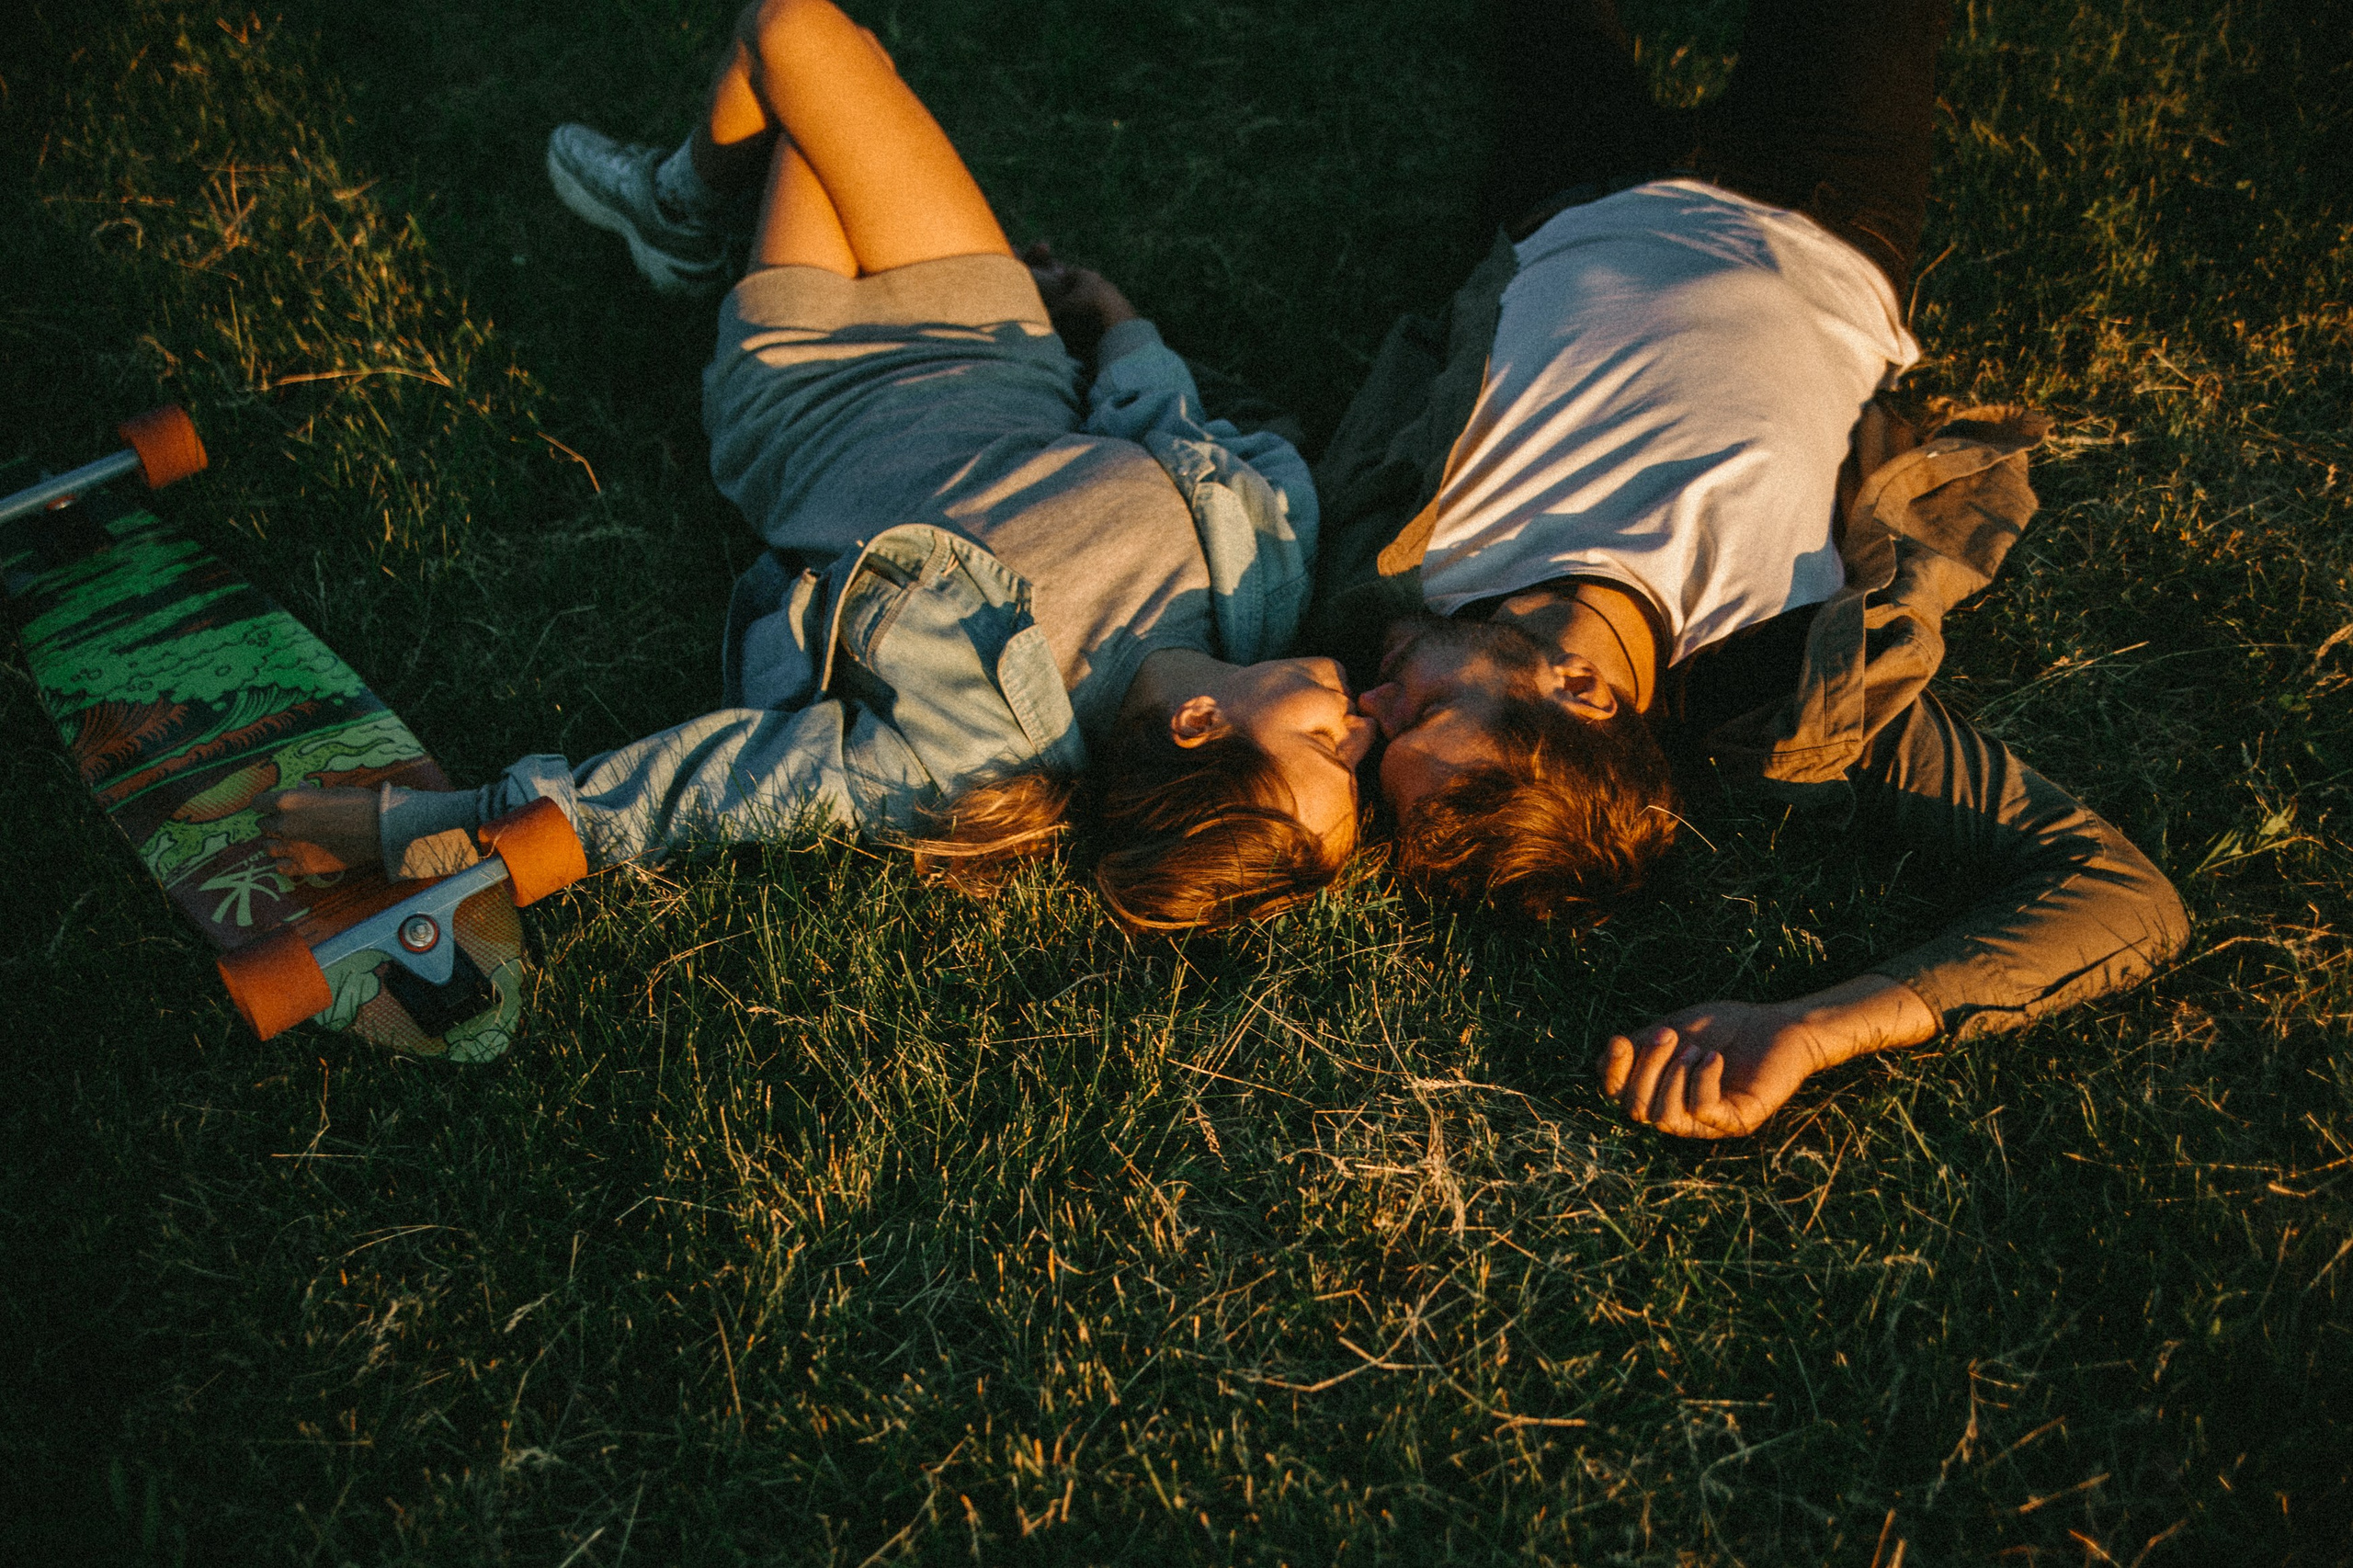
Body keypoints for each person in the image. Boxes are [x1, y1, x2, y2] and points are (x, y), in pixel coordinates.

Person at [261, 0, 1372, 933]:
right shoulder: (1256, 581)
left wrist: (437, 822)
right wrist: (1122, 325)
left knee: (797, 43)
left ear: (1196, 731)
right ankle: (688, 215)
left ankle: (684, 208)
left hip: (806, 394)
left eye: (1328, 746)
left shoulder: (975, 749)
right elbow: (1175, 436)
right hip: (989, 330)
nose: (1359, 725)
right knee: (815, 45)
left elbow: (719, 786)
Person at [1310, 0, 2189, 1137]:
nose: (1368, 703)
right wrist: (1820, 1027)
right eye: (1419, 711)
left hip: (1561, 202)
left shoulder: (1389, 586)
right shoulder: (1776, 676)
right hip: (1824, 208)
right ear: (1580, 695)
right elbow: (2126, 899)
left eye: (1385, 723)